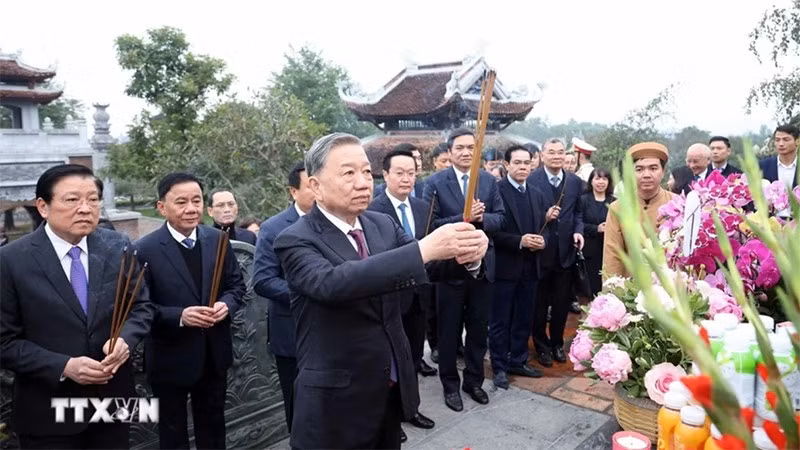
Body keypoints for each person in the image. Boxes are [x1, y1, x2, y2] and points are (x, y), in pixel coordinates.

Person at [273, 132, 488, 449]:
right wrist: (424, 249)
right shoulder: (294, 239)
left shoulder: (381, 224)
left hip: (388, 387)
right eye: (348, 173)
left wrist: (468, 254)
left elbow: (425, 268)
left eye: (365, 171)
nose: (363, 183)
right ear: (315, 186)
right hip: (336, 402)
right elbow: (334, 283)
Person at [0, 164, 154, 449]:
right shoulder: (10, 261)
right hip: (48, 408)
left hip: (113, 401)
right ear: (43, 206)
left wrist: (125, 340)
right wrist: (64, 366)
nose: (85, 208)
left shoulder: (117, 245)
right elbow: (4, 342)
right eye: (72, 200)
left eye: (93, 199)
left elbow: (141, 307)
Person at [135, 173, 247, 450]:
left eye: (196, 200)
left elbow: (236, 286)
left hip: (213, 352)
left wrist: (226, 304)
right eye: (181, 202)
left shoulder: (217, 239)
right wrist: (180, 317)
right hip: (169, 355)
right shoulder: (144, 250)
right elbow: (140, 307)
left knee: (213, 424)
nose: (191, 208)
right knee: (172, 430)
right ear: (162, 207)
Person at [423, 128, 505, 412]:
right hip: (449, 271)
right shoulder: (434, 183)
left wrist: (483, 220)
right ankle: (450, 386)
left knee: (478, 332)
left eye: (472, 147)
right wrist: (464, 217)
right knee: (448, 334)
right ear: (450, 151)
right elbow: (430, 225)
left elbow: (500, 218)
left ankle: (474, 381)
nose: (466, 152)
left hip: (481, 269)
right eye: (460, 147)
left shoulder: (488, 181)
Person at [368, 149, 439, 440]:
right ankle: (391, 420)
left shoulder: (423, 207)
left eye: (411, 173)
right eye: (399, 172)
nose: (406, 178)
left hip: (420, 294)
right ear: (385, 175)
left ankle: (411, 408)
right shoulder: (373, 211)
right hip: (389, 300)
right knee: (389, 361)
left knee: (411, 356)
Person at [252, 161, 314, 432]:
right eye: (311, 185)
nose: (318, 189)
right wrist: (312, 293)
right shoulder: (274, 227)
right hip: (293, 331)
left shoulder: (336, 220)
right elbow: (263, 281)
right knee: (299, 405)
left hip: (335, 330)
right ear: (293, 191)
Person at [490, 145, 547, 389]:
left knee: (524, 316)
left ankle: (519, 359)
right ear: (507, 164)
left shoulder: (536, 194)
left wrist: (544, 241)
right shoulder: (497, 191)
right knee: (501, 320)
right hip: (505, 266)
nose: (523, 167)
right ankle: (500, 366)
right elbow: (491, 231)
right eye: (518, 163)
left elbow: (547, 229)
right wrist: (520, 241)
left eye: (527, 162)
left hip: (530, 267)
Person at [527, 138, 585, 368]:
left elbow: (578, 213)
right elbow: (525, 214)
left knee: (561, 304)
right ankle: (540, 345)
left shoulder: (574, 182)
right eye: (551, 152)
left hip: (566, 253)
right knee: (539, 305)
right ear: (542, 155)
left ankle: (557, 344)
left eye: (561, 152)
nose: (557, 156)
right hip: (541, 253)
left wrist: (579, 231)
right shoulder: (532, 180)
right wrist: (544, 216)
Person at [603, 142, 676, 278]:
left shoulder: (677, 204)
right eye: (639, 169)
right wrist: (612, 293)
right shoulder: (618, 208)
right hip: (631, 289)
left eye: (653, 168)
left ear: (663, 171)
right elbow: (612, 255)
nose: (646, 175)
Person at [580, 168, 615, 296]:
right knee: (589, 290)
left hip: (608, 249)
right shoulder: (583, 200)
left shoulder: (614, 201)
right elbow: (578, 224)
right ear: (591, 181)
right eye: (597, 178)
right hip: (589, 251)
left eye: (604, 179)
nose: (601, 182)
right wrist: (596, 228)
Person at [760, 124, 799, 219]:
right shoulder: (763, 166)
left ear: (797, 141)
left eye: (786, 140)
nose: (781, 144)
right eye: (777, 140)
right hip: (770, 223)